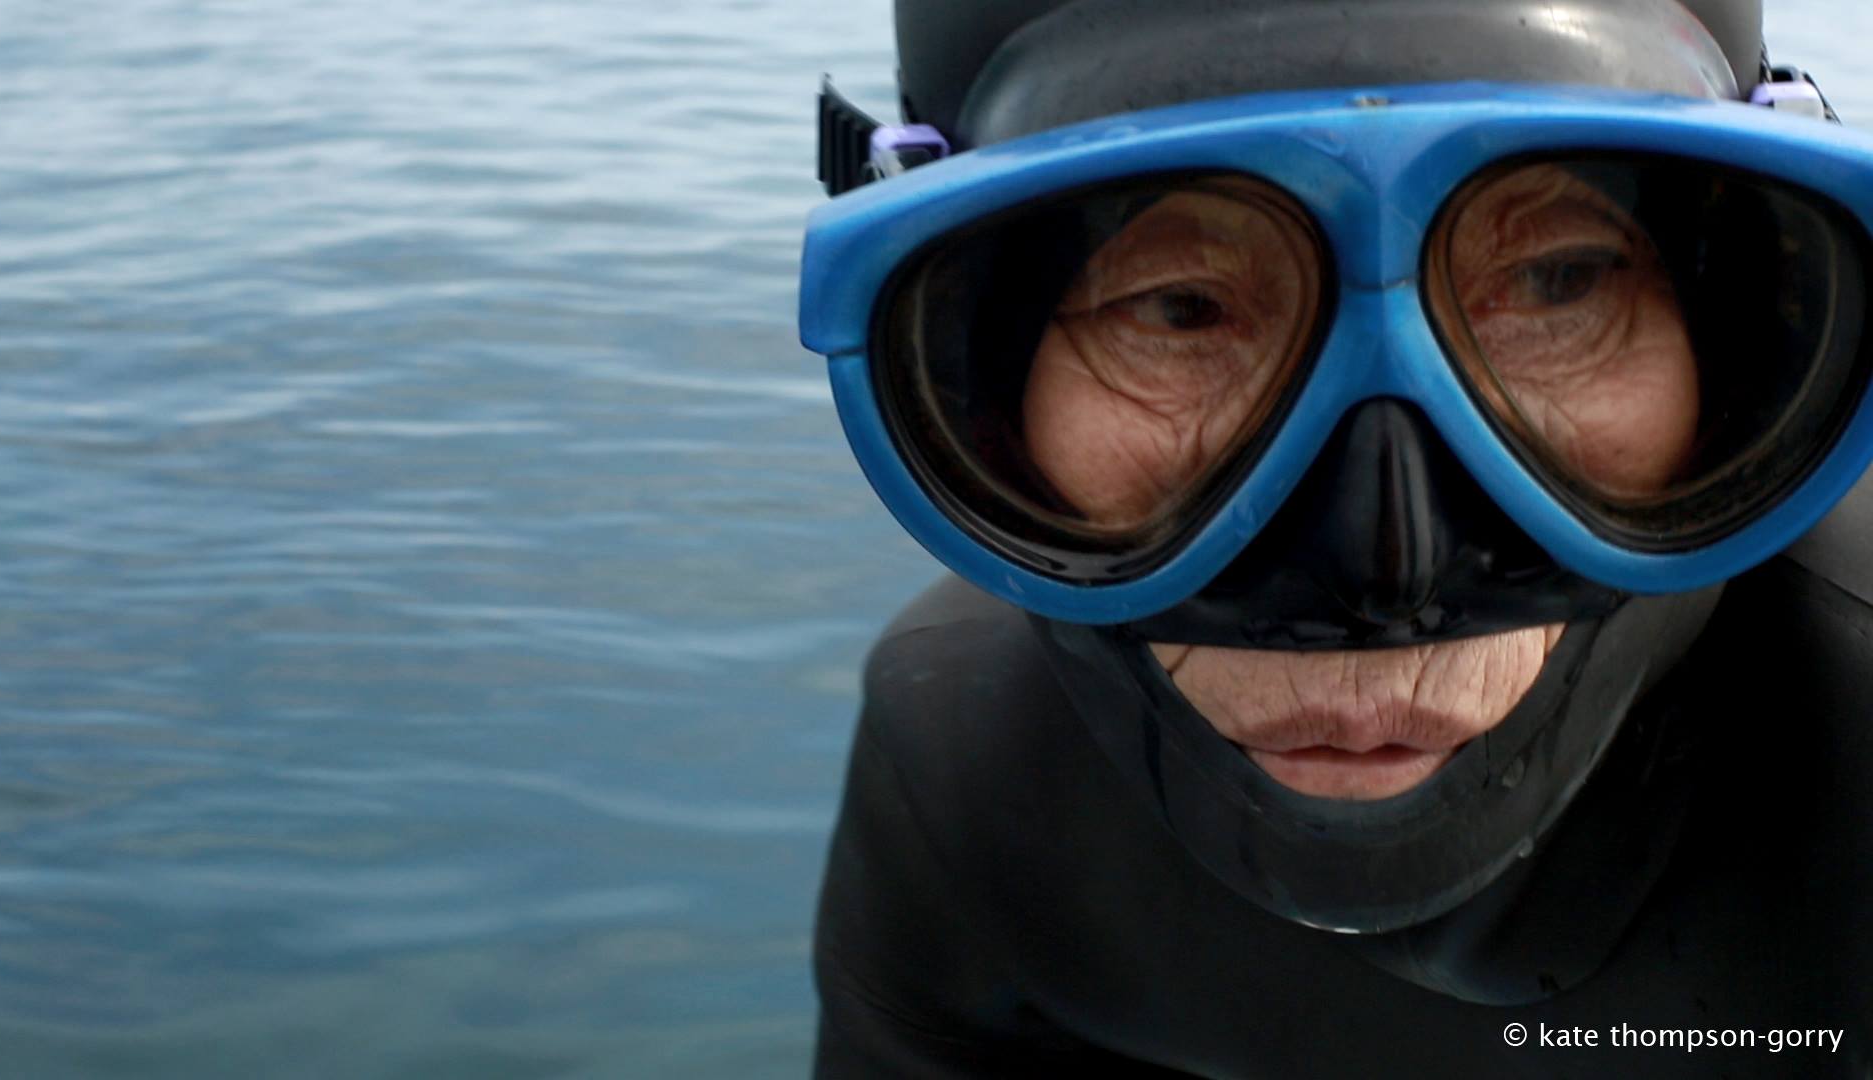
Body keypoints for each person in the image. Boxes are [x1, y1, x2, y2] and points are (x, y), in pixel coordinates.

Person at [798, 0, 1873, 1075]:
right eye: (1181, 310)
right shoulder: (966, 780)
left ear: (1740, 328)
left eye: (1559, 282)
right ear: (977, 375)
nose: (1386, 574)